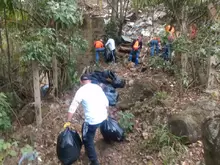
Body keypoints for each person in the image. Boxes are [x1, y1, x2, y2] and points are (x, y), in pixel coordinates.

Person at [63, 74, 109, 165]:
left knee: (88, 139)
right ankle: (88, 147)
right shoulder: (97, 87)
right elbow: (106, 102)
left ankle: (94, 161)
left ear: (81, 81)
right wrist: (107, 114)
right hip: (103, 117)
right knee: (85, 126)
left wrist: (68, 121)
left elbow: (72, 107)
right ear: (90, 81)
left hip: (92, 121)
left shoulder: (81, 91)